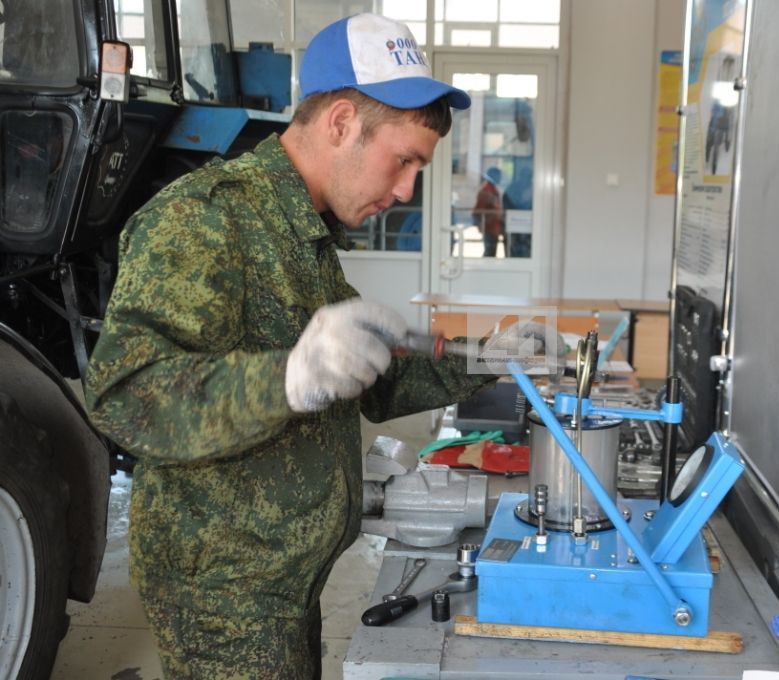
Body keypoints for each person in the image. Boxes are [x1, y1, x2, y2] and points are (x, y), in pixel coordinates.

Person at [84, 13, 549, 679]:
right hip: (225, 590)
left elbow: (377, 383)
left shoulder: (299, 232)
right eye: (404, 162)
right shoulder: (206, 217)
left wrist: (486, 359)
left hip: (282, 580)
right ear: (339, 123)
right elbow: (126, 396)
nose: (406, 192)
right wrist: (289, 378)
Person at [472, 166, 504, 257]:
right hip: (489, 227)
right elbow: (477, 211)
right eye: (499, 176)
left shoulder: (494, 190)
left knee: (492, 252)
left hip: (494, 227)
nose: (500, 179)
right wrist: (480, 224)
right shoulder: (486, 191)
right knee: (489, 253)